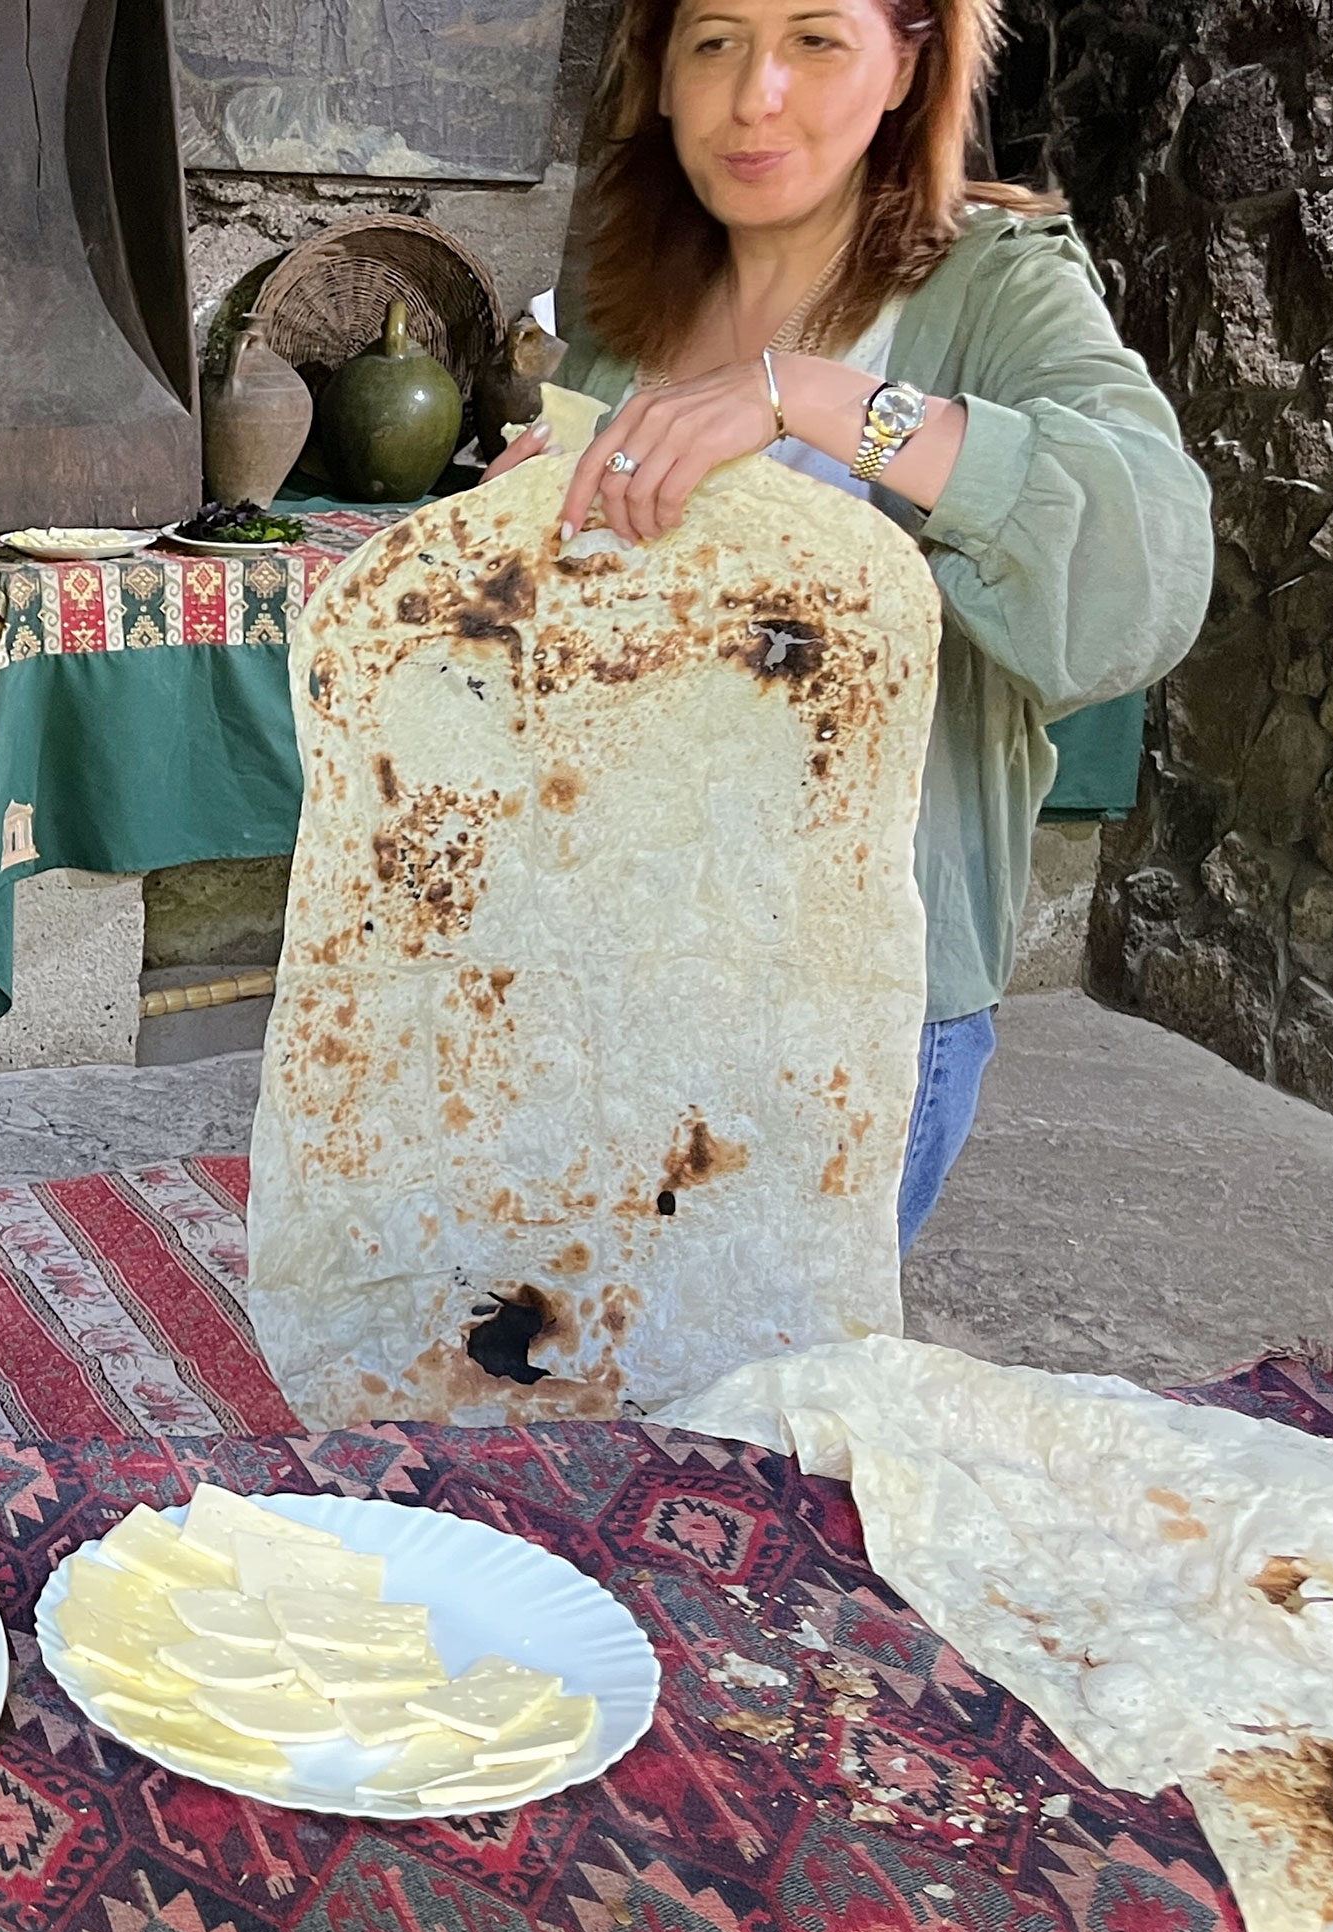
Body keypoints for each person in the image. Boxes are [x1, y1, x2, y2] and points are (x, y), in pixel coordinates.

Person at [490, 0, 1211, 1247]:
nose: (755, 93)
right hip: (602, 964)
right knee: (575, 1391)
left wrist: (814, 398)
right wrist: (528, 538)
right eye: (712, 41)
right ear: (658, 74)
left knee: (755, 1412)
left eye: (816, 39)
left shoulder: (994, 286)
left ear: (905, 69)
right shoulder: (625, 306)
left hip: (847, 1003)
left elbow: (1142, 572)